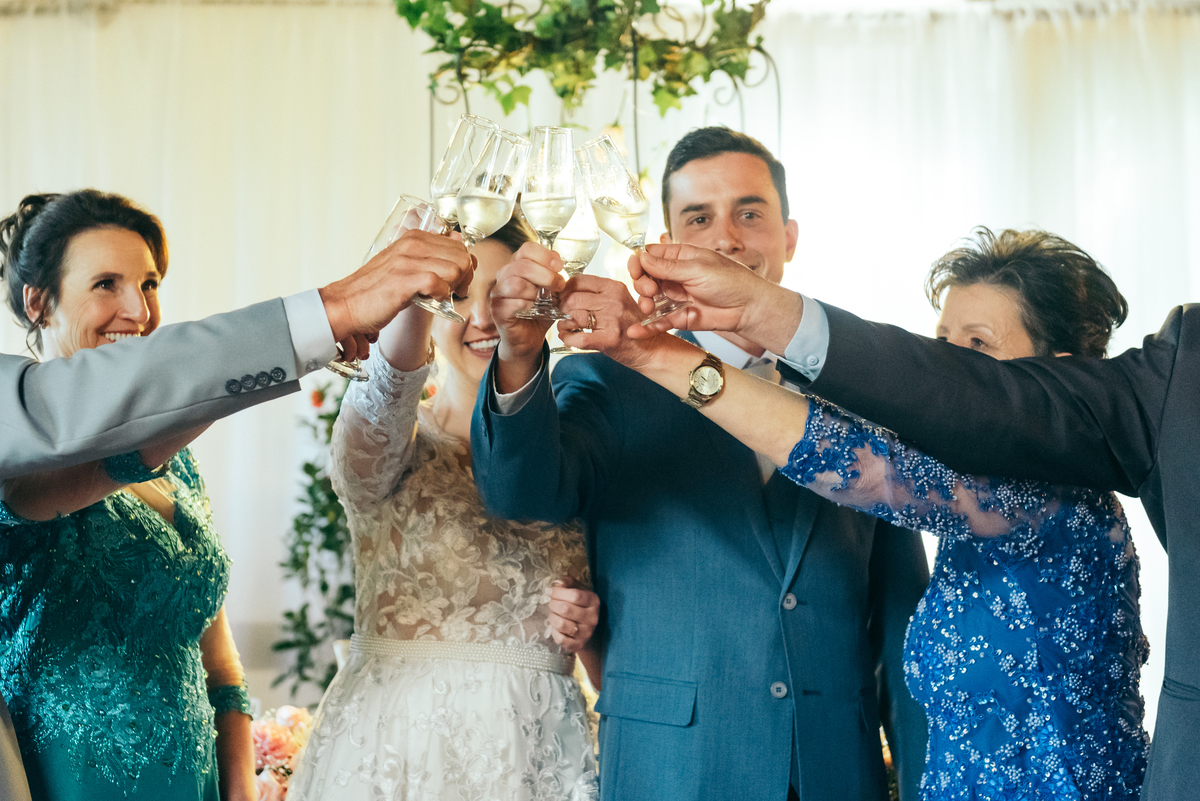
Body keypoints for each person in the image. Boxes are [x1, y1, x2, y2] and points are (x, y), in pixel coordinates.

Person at [554, 227, 1151, 799]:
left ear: (1058, 377)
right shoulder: (975, 504)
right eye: (941, 346)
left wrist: (654, 353)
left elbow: (843, 454)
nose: (948, 372)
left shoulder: (1046, 497)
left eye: (978, 346)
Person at [472, 128, 930, 801]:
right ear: (666, 243)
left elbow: (902, 621)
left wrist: (923, 781)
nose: (728, 237)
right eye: (699, 218)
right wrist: (517, 354)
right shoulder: (608, 379)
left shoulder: (858, 387)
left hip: (837, 771)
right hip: (671, 770)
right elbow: (521, 491)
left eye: (750, 213)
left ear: (789, 236)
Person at [0, 189, 474, 800]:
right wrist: (315, 336)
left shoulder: (180, 469)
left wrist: (239, 791)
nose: (137, 310)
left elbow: (221, 672)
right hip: (72, 780)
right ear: (38, 303)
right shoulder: (19, 464)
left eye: (148, 284)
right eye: (106, 284)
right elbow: (118, 457)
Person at [289, 216, 601, 801]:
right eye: (458, 296)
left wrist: (588, 621)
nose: (484, 317)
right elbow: (384, 394)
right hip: (399, 755)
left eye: (502, 293)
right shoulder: (390, 447)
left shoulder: (581, 449)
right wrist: (413, 289)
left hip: (537, 756)